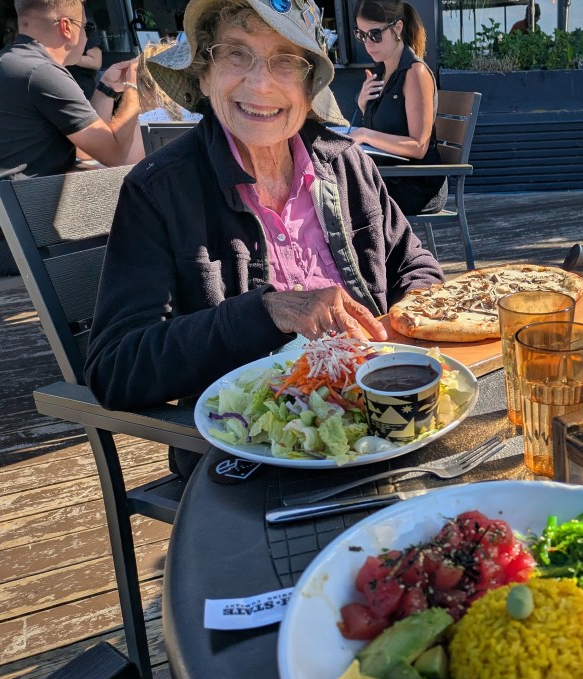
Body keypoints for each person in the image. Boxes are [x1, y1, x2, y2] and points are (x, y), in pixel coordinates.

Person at [84, 0, 443, 424]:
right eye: (235, 53)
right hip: (251, 445)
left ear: (309, 86)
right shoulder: (159, 190)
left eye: (286, 60)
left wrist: (418, 314)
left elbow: (415, 266)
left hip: (391, 416)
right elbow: (116, 368)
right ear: (204, 73)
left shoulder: (345, 163)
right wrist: (267, 311)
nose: (260, 84)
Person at [0, 0, 142, 276]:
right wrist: (134, 89)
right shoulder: (41, 72)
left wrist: (107, 88)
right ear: (67, 27)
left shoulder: (13, 61)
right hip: (12, 239)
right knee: (145, 209)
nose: (88, 38)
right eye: (88, 29)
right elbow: (115, 154)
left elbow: (87, 149)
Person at [349, 0, 445, 216]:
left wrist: (365, 134)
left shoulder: (415, 73)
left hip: (416, 183)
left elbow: (419, 146)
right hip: (389, 175)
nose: (368, 43)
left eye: (375, 34)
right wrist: (363, 106)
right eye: (361, 35)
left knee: (343, 199)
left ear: (397, 28)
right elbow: (386, 128)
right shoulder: (382, 73)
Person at [65, 15, 104, 99]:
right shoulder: (43, 23)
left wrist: (63, 56)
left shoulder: (83, 22)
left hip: (80, 88)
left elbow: (95, 61)